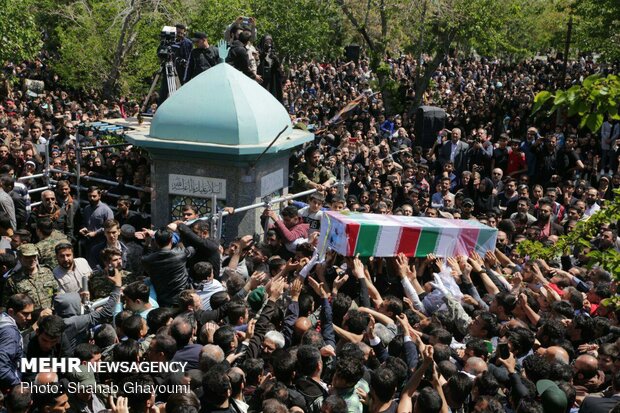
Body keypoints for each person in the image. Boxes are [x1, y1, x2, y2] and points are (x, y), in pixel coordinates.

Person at [141, 228, 191, 307]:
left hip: (162, 301)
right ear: (171, 240)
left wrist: (148, 243)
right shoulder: (181, 254)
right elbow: (190, 247)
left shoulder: (148, 260)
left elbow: (145, 257)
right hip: (181, 299)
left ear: (156, 242)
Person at [2, 243, 57, 309]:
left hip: (51, 314)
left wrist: (53, 309)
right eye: (27, 257)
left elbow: (57, 292)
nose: (32, 260)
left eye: (34, 256)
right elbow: (7, 305)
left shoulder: (47, 272)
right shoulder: (13, 280)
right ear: (19, 258)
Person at [0, 294, 34, 390]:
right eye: (25, 313)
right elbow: (2, 365)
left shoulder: (3, 319)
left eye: (31, 313)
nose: (30, 317)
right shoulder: (10, 333)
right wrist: (17, 385)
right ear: (11, 312)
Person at [257, 34, 283, 102]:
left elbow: (278, 68)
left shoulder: (273, 52)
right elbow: (257, 62)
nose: (268, 44)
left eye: (270, 42)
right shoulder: (258, 50)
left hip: (271, 78)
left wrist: (275, 59)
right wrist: (263, 54)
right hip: (261, 77)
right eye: (267, 41)